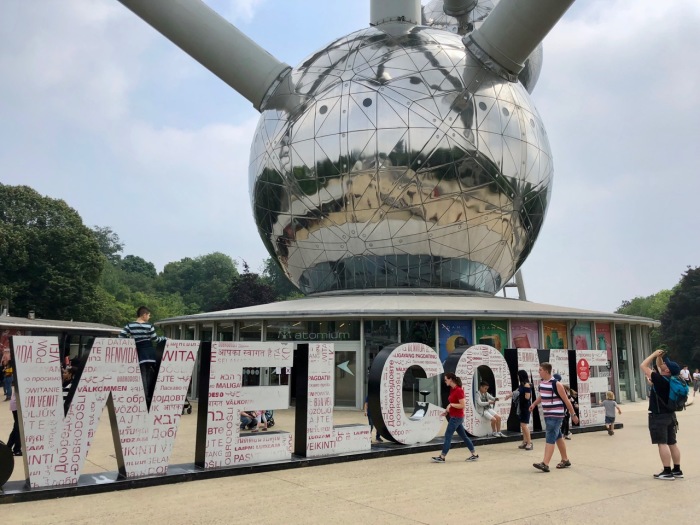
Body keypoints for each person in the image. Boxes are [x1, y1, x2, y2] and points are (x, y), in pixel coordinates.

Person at [640, 349, 684, 480]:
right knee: (672, 442)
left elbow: (643, 365)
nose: (663, 364)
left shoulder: (659, 379)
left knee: (662, 443)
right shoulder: (672, 380)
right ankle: (677, 469)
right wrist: (659, 358)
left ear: (667, 370)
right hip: (670, 415)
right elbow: (659, 366)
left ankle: (667, 471)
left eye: (666, 364)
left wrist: (653, 355)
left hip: (659, 416)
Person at [529, 362, 579, 472]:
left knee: (550, 436)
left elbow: (567, 401)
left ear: (546, 371)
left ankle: (545, 463)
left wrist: (573, 414)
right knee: (558, 436)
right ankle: (565, 460)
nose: (539, 372)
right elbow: (542, 396)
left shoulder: (557, 384)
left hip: (556, 415)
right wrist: (534, 404)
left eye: (540, 370)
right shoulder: (542, 384)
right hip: (548, 414)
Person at [119, 306, 166, 409]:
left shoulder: (129, 325)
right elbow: (155, 339)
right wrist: (164, 338)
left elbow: (121, 336)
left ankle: (144, 397)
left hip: (139, 352)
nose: (149, 317)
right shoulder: (149, 326)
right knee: (148, 374)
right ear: (144, 315)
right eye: (148, 315)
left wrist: (132, 339)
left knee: (143, 374)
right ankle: (147, 396)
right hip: (149, 352)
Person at [431, 372, 479, 463]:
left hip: (456, 418)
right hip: (456, 416)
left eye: (446, 380)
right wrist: (447, 411)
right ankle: (474, 454)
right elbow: (453, 404)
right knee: (464, 436)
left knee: (448, 435)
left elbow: (462, 405)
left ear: (451, 379)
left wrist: (451, 405)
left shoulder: (459, 390)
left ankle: (442, 456)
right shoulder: (452, 389)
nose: (445, 381)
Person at [505, 370, 533, 450]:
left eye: (518, 376)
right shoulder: (521, 385)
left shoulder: (527, 385)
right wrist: (509, 396)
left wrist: (520, 395)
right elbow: (515, 392)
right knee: (522, 425)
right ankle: (524, 442)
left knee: (524, 425)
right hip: (521, 406)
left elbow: (527, 397)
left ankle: (529, 442)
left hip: (525, 407)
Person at [7, 383, 21, 456]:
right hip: (17, 405)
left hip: (16, 404)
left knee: (16, 428)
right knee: (19, 428)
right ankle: (16, 449)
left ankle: (8, 447)